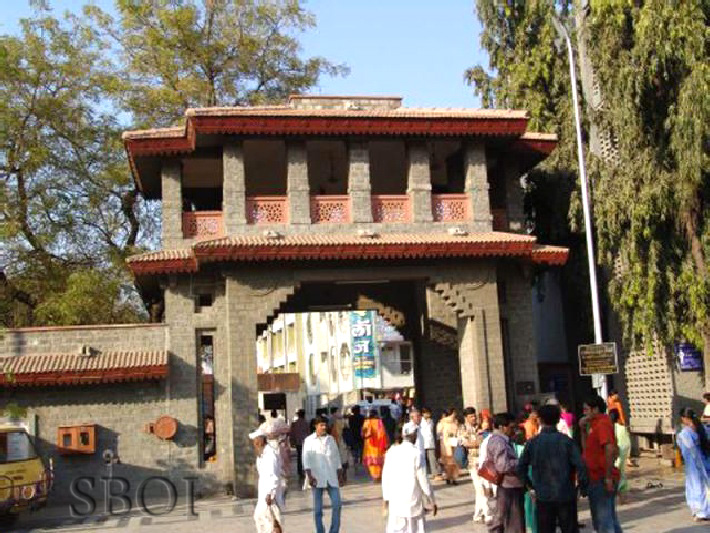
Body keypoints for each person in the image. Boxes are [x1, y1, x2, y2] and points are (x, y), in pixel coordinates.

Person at [517, 404, 588, 533]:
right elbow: (581, 465)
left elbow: (521, 467)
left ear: (540, 420)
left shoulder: (532, 443)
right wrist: (581, 487)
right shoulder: (567, 441)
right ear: (557, 420)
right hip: (565, 493)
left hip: (543, 495)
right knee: (570, 529)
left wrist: (530, 487)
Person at [382, 424, 438, 533]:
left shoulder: (391, 452)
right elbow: (423, 481)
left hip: (396, 502)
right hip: (412, 501)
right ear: (414, 435)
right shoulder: (416, 453)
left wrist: (386, 499)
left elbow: (385, 477)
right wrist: (432, 500)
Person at [580, 394, 623, 533]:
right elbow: (586, 448)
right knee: (609, 518)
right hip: (595, 476)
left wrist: (608, 477)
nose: (584, 413)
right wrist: (582, 429)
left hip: (601, 477)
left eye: (586, 410)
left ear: (595, 409)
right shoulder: (593, 425)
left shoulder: (602, 424)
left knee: (603, 521)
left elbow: (609, 449)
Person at [485, 412, 525, 533]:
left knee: (503, 520)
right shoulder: (499, 442)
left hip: (508, 485)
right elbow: (503, 466)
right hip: (509, 486)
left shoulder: (498, 440)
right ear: (502, 427)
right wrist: (520, 462)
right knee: (514, 524)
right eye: (511, 427)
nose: (513, 430)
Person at [303, 415, 344, 533]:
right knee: (318, 510)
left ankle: (334, 530)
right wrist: (310, 476)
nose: (324, 427)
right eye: (321, 425)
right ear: (315, 426)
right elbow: (306, 460)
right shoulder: (309, 440)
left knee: (337, 505)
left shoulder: (331, 440)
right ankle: (320, 530)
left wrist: (340, 475)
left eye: (325, 425)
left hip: (331, 476)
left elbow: (336, 458)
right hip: (316, 477)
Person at [676, 407, 710, 521]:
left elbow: (688, 449)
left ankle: (701, 512)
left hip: (694, 465)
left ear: (684, 418)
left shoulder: (685, 433)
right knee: (705, 487)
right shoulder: (702, 428)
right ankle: (705, 511)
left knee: (696, 487)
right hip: (704, 461)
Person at [250, 427, 283, 533]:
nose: (254, 443)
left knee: (270, 521)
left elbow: (273, 475)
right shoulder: (262, 455)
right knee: (264, 519)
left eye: (255, 441)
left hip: (269, 494)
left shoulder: (270, 454)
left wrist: (270, 493)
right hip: (263, 493)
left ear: (260, 440)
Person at [461, 407, 486, 523]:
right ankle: (487, 512)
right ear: (466, 418)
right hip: (472, 462)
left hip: (482, 460)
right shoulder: (463, 429)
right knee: (480, 488)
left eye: (474, 416)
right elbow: (466, 443)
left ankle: (477, 514)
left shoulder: (479, 427)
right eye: (471, 416)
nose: (474, 418)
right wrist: (478, 441)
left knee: (480, 489)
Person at [609, 409, 631, 502]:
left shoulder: (609, 428)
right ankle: (622, 497)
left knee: (616, 473)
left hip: (614, 453)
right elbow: (627, 443)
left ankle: (619, 496)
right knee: (621, 473)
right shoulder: (622, 428)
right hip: (622, 453)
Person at [363, 408, 389, 481]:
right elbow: (382, 433)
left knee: (371, 462)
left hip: (369, 445)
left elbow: (363, 433)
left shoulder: (367, 422)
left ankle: (374, 476)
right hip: (378, 443)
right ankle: (378, 475)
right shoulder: (379, 422)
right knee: (378, 461)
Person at [437, 407, 460, 485]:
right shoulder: (442, 423)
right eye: (454, 412)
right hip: (446, 445)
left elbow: (458, 432)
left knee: (454, 462)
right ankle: (448, 477)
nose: (455, 414)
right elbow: (438, 434)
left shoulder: (455, 422)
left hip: (454, 443)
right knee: (448, 463)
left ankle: (454, 478)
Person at [290, 409, 310, 485]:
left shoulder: (294, 424)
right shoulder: (306, 423)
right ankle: (305, 470)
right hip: (306, 442)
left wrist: (292, 442)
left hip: (298, 442)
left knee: (299, 456)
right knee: (305, 457)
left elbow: (292, 434)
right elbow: (308, 433)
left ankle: (299, 471)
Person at [420, 408, 441, 479]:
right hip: (422, 442)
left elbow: (431, 431)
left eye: (429, 413)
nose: (429, 415)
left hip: (430, 441)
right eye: (427, 413)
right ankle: (422, 473)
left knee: (432, 458)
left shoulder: (431, 421)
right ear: (423, 413)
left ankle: (435, 473)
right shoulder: (420, 420)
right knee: (422, 458)